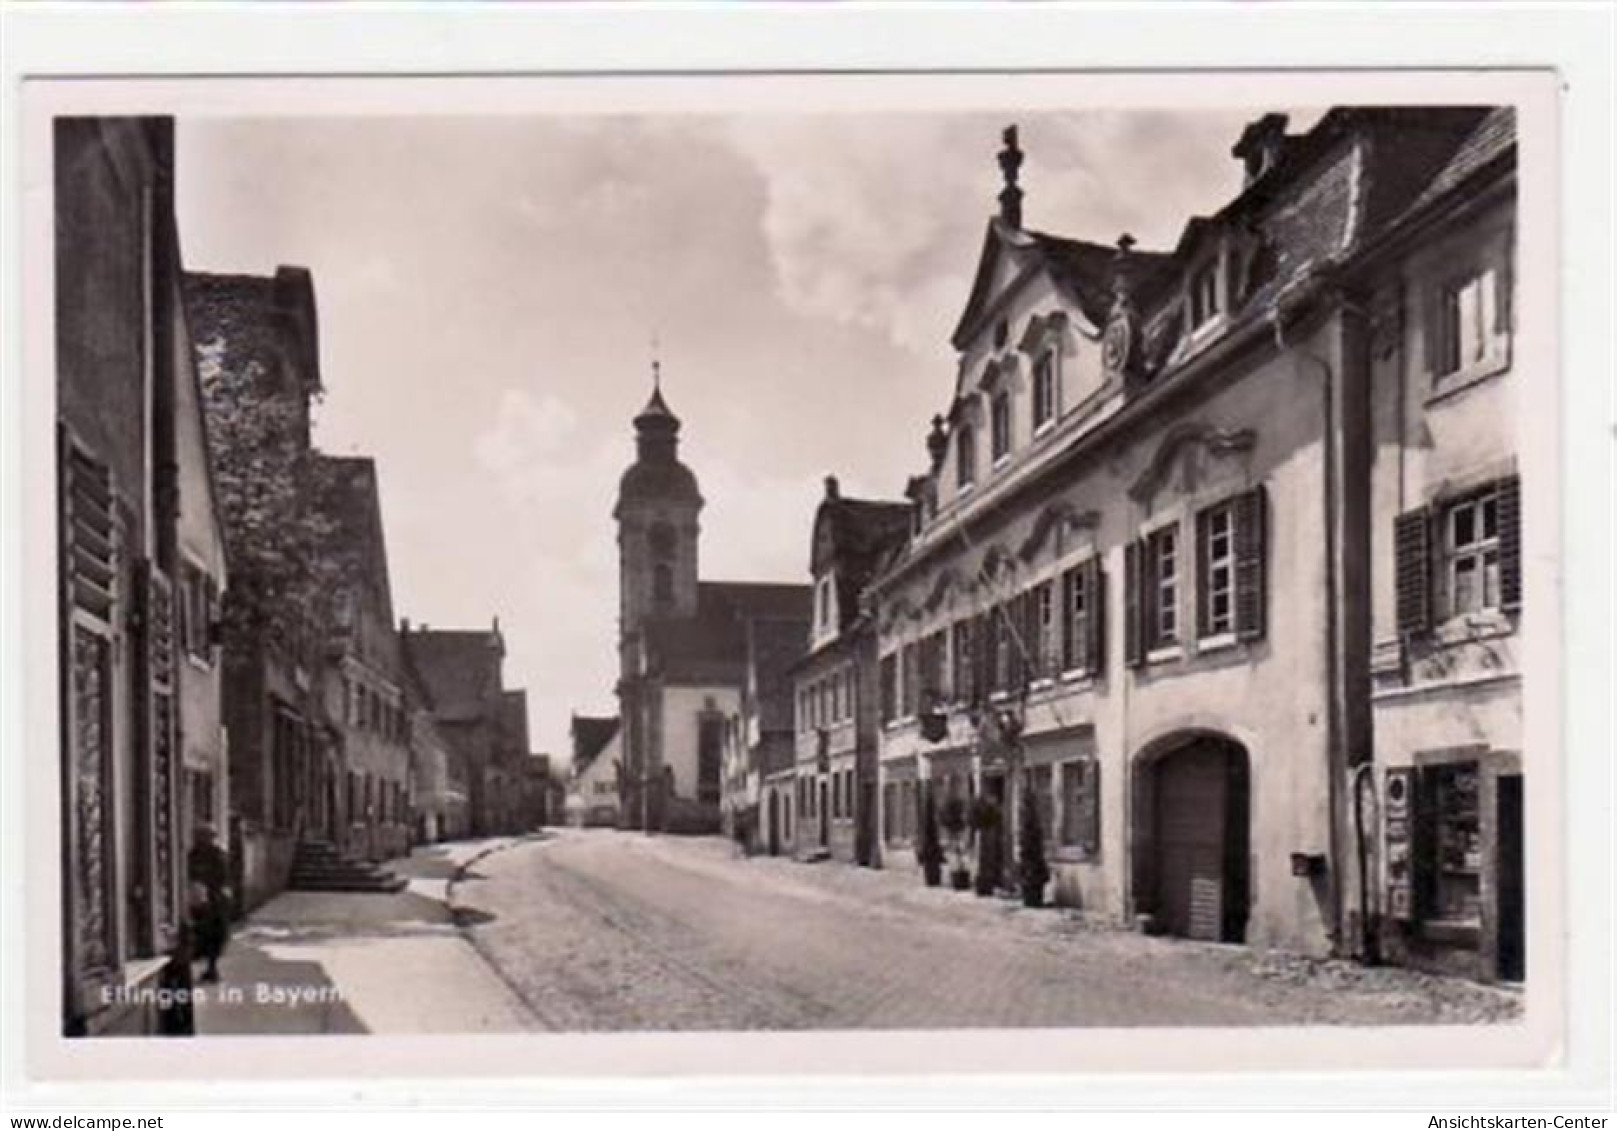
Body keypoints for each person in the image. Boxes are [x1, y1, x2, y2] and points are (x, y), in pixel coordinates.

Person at [186, 824, 232, 984]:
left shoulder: (217, 855)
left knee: (212, 935)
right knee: (202, 935)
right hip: (199, 899)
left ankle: (211, 968)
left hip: (212, 901)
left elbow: (222, 877)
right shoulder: (194, 854)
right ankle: (208, 967)